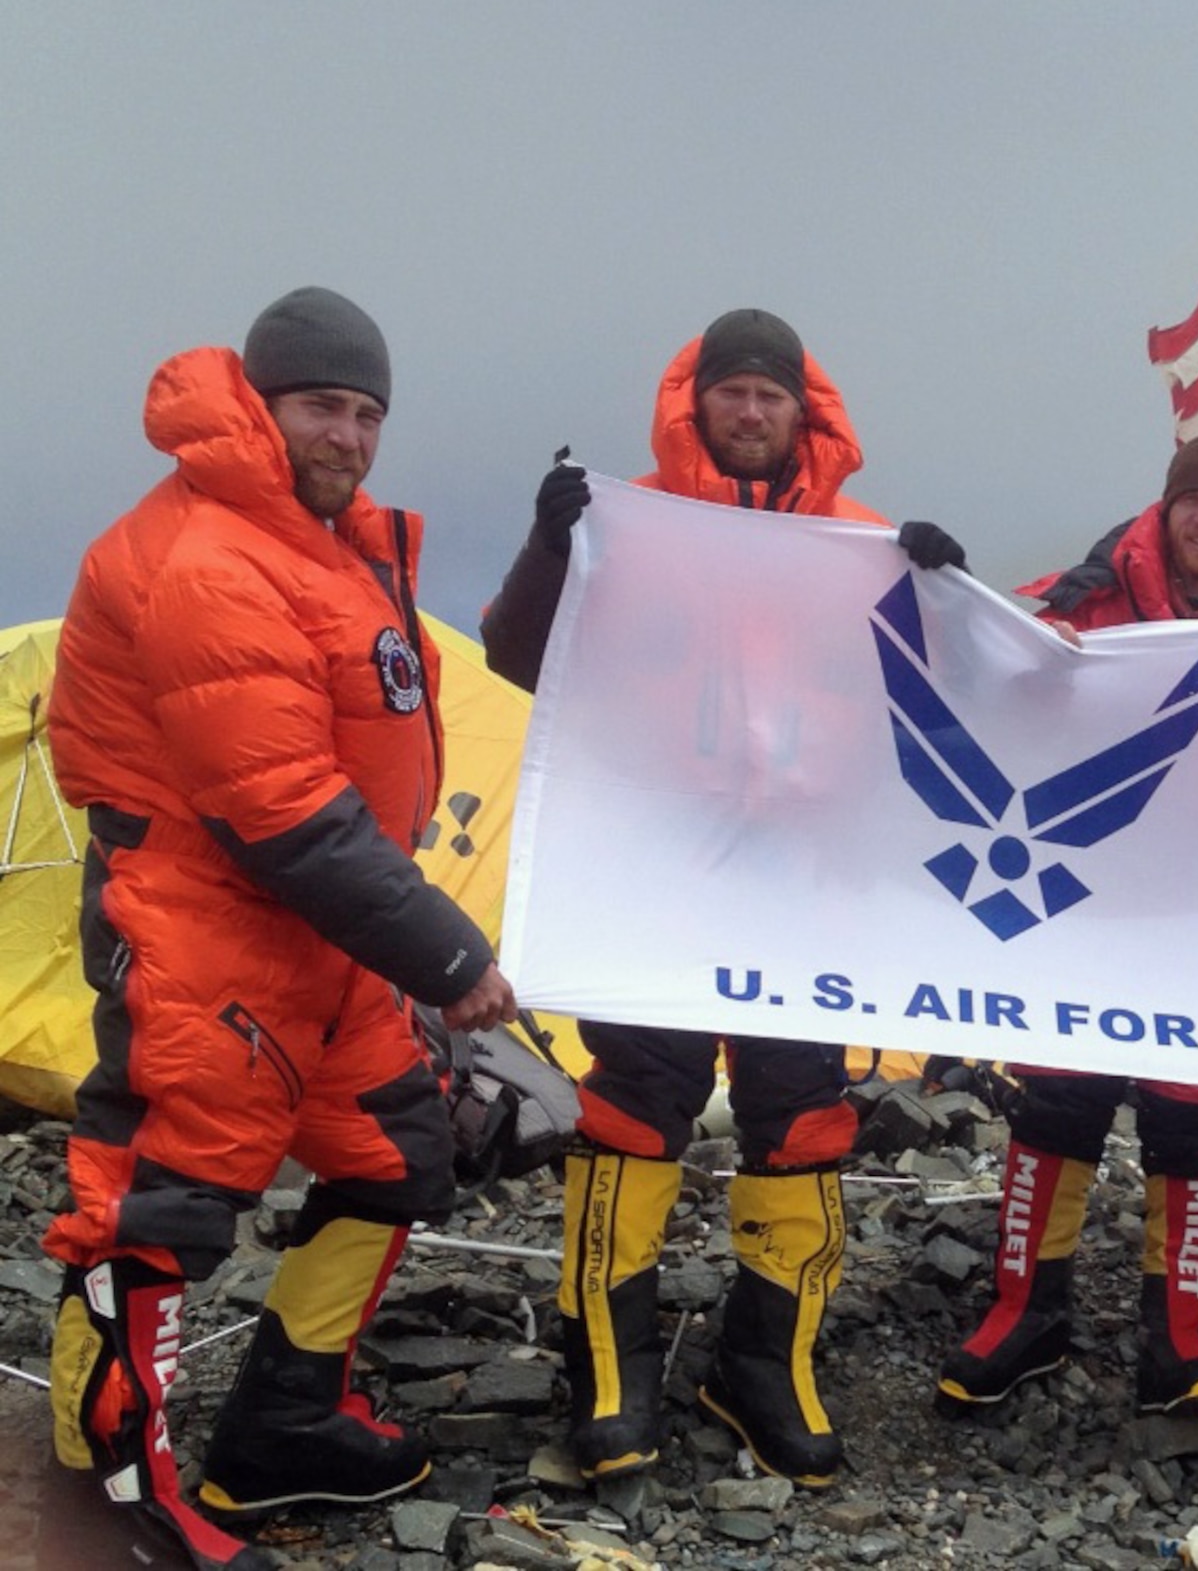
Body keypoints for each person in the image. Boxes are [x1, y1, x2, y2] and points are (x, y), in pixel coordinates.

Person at [44, 287, 517, 1571]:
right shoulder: (208, 556)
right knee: (161, 1200)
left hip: (329, 938)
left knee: (395, 1152)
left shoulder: (322, 540)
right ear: (260, 402)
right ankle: (106, 1497)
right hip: (203, 925)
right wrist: (453, 958)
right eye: (322, 405)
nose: (350, 435)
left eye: (368, 413)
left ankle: (281, 1428)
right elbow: (285, 815)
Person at [481, 307, 963, 1489]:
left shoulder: (862, 544)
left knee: (801, 1116)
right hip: (656, 881)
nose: (751, 413)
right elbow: (513, 653)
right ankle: (610, 1370)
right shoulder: (626, 525)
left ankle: (764, 1367)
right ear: (695, 404)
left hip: (803, 893)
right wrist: (553, 550)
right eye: (732, 392)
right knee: (636, 1109)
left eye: (772, 395)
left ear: (807, 412)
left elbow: (952, 702)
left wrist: (946, 595)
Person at [935, 434, 1198, 1422]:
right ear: (1166, 509)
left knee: (1196, 1115)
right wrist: (948, 595)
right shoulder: (1092, 595)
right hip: (1086, 903)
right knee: (1055, 1099)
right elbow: (993, 672)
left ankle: (1178, 1340)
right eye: (1189, 502)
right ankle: (1024, 1313)